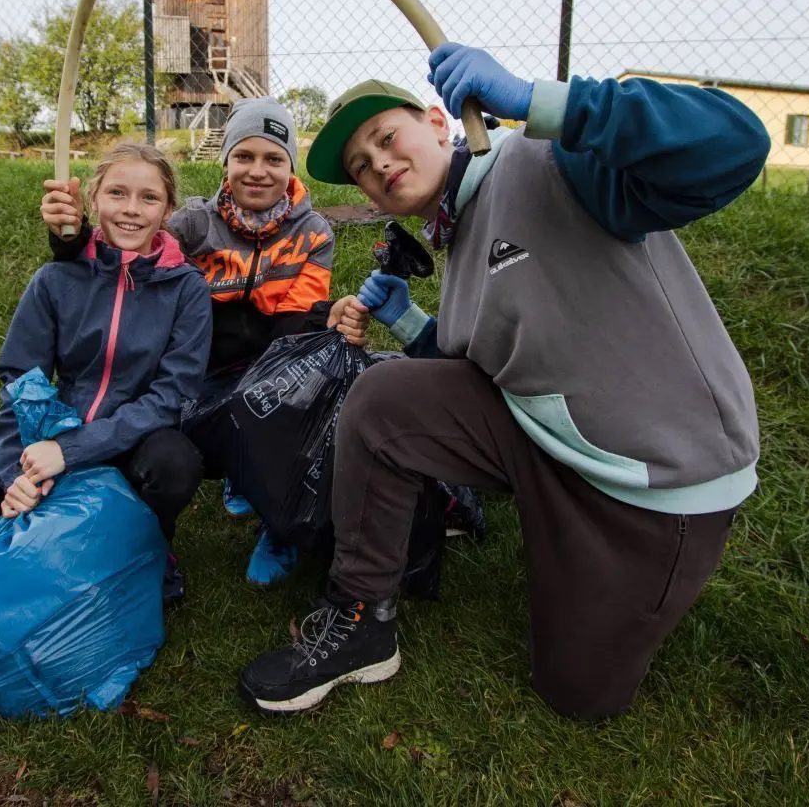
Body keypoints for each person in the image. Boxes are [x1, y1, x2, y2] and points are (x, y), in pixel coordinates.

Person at [237, 45, 771, 719]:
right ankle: (360, 619)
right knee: (384, 399)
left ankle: (635, 581)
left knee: (578, 695)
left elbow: (735, 144)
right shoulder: (455, 239)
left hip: (656, 480)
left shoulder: (546, 161)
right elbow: (482, 372)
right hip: (552, 452)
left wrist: (541, 103)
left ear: (438, 121)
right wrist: (405, 321)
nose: (377, 164)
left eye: (385, 138)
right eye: (360, 168)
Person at [41, 98, 368, 589]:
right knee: (190, 439)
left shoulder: (314, 232)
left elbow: (299, 319)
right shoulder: (195, 223)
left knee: (291, 410)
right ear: (225, 162)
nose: (257, 171)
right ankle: (186, 498)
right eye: (244, 156)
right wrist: (70, 239)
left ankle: (277, 522)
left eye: (274, 159)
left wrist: (258, 407)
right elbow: (129, 247)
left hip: (274, 358)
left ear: (290, 167)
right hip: (195, 364)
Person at [0, 142, 212, 603]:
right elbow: (18, 381)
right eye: (117, 193)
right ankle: (36, 548)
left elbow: (172, 394)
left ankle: (150, 547)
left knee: (176, 464)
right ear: (92, 200)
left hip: (134, 440)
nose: (131, 210)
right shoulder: (54, 279)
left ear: (168, 208)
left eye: (149, 198)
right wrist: (14, 473)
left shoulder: (186, 288)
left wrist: (73, 450)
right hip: (52, 433)